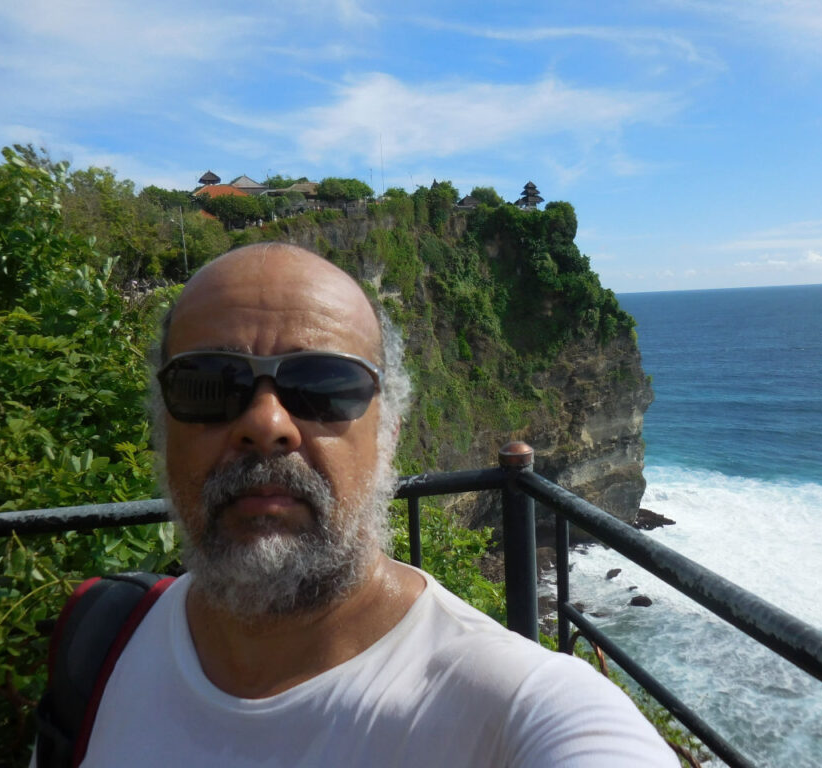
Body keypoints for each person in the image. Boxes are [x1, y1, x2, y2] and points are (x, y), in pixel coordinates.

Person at [53, 243, 679, 766]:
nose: (267, 423)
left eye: (324, 385)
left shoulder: (518, 707)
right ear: (162, 429)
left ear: (390, 434)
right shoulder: (100, 641)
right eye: (209, 384)